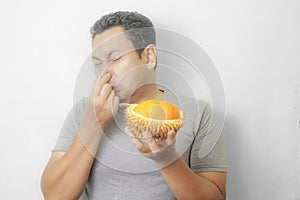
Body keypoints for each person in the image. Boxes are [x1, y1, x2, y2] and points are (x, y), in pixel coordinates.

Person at [41, 11, 227, 200]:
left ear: (148, 56)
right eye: (98, 63)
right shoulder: (84, 111)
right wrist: (93, 122)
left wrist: (166, 160)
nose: (104, 72)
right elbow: (55, 196)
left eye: (114, 58)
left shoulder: (198, 114)